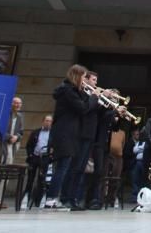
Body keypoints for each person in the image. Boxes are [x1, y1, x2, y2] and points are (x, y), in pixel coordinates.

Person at [44, 64, 93, 210]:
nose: (85, 80)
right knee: (62, 168)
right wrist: (94, 97)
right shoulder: (67, 91)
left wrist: (87, 93)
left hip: (69, 132)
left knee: (65, 167)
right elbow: (83, 108)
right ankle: (51, 199)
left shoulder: (71, 91)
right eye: (84, 77)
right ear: (77, 76)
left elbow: (81, 103)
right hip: (65, 132)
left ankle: (58, 198)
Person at [64, 72, 101, 210]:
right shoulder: (82, 93)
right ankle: (67, 197)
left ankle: (74, 198)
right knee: (75, 167)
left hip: (90, 134)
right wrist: (95, 96)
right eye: (93, 80)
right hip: (81, 133)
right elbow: (85, 108)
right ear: (85, 80)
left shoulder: (91, 95)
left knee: (81, 169)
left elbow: (96, 111)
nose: (96, 83)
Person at [0, 96, 23, 207]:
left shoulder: (20, 117)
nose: (17, 105)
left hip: (12, 148)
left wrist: (17, 137)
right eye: (15, 103)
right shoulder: (5, 115)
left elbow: (21, 132)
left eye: (19, 103)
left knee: (5, 175)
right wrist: (9, 137)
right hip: (3, 147)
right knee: (0, 173)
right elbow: (0, 130)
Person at [26, 114, 53, 206]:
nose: (48, 123)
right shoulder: (36, 132)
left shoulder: (52, 134)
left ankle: (37, 200)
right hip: (34, 157)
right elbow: (29, 145)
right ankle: (27, 198)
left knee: (41, 180)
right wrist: (30, 155)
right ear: (43, 121)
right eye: (47, 120)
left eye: (50, 121)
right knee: (30, 179)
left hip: (45, 158)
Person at [104, 111, 127, 208]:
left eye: (118, 117)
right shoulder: (107, 130)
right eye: (115, 117)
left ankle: (112, 198)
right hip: (107, 155)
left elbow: (123, 145)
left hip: (118, 157)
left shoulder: (122, 133)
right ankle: (102, 198)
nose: (116, 119)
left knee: (115, 178)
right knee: (104, 177)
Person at [129, 127, 148, 199]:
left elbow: (145, 149)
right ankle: (134, 196)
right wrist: (141, 149)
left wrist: (140, 149)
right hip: (137, 163)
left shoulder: (147, 142)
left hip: (144, 163)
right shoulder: (138, 143)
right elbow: (134, 150)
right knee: (135, 179)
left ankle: (142, 197)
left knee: (143, 180)